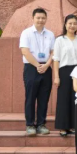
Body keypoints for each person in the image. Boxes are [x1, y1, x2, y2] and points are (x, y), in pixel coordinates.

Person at [19, 8, 56, 136]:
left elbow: (53, 52)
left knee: (44, 98)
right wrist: (37, 65)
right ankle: (30, 124)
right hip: (31, 67)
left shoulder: (50, 34)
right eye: (38, 18)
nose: (40, 20)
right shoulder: (26, 33)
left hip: (46, 67)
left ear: (46, 19)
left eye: (43, 18)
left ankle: (41, 124)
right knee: (30, 97)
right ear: (33, 18)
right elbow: (25, 51)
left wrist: (47, 65)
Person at [53, 14, 77, 137]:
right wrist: (56, 76)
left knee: (76, 98)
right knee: (64, 99)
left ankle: (74, 125)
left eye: (75, 24)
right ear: (65, 25)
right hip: (64, 71)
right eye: (70, 23)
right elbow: (56, 59)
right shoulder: (59, 40)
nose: (72, 26)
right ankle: (63, 127)